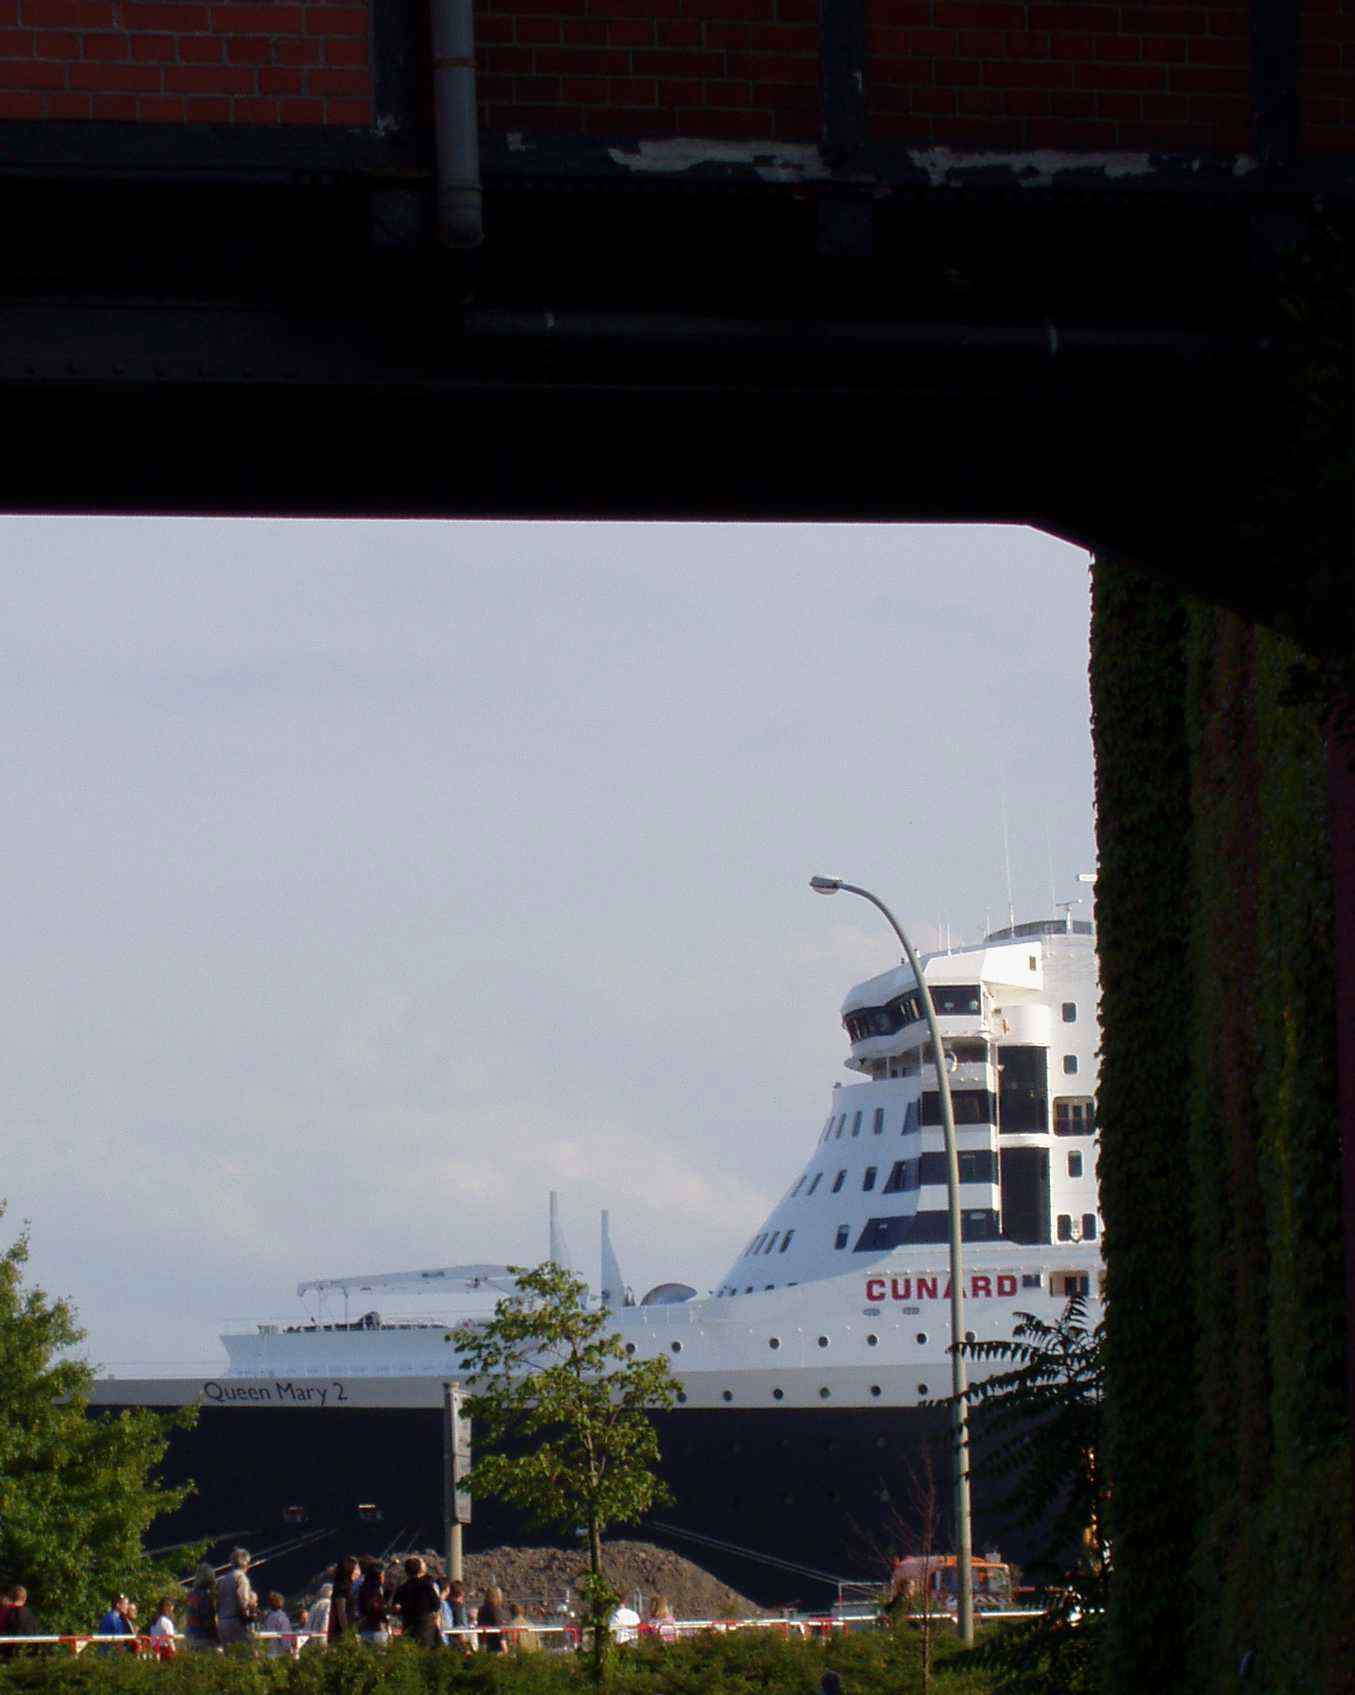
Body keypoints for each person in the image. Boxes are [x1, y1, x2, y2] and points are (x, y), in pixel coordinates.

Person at [392, 1557, 441, 1648]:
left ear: (406, 1571)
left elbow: (396, 1607)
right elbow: (437, 1605)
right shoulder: (427, 1586)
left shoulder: (402, 1588)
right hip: (426, 1625)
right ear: (420, 1569)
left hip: (409, 1624)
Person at [216, 1548, 257, 1649]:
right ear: (245, 1562)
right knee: (244, 1656)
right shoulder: (241, 1578)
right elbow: (243, 1602)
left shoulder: (224, 1579)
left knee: (229, 1658)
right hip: (236, 1623)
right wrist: (252, 1605)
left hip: (222, 1622)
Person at [184, 1564, 219, 1652]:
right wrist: (216, 1637)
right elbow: (207, 1620)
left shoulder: (191, 1595)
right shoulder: (205, 1596)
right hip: (203, 1637)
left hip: (190, 1634)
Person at [356, 1560, 389, 1645]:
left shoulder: (363, 1588)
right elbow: (376, 1608)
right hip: (377, 1629)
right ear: (379, 1575)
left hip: (364, 1629)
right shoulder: (375, 1591)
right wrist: (389, 1609)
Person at [329, 1556, 359, 1642]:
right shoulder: (342, 1586)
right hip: (342, 1633)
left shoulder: (345, 1585)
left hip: (345, 1630)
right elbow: (341, 1612)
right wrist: (347, 1634)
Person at [260, 1593, 293, 1659]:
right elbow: (286, 1635)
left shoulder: (268, 1617)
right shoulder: (282, 1618)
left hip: (269, 1652)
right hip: (280, 1654)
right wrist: (289, 1649)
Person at [477, 1586, 506, 1653]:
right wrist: (504, 1646)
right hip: (496, 1644)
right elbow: (499, 1628)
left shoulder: (481, 1609)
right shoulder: (496, 1610)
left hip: (484, 1642)